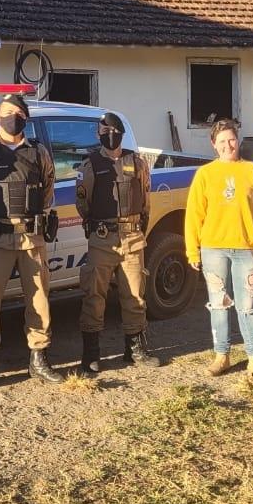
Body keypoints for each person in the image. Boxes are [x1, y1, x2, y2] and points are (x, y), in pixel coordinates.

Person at [0, 93, 63, 388]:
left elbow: (48, 187)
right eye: (6, 112)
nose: (11, 118)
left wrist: (35, 217)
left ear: (25, 118)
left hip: (31, 237)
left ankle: (39, 359)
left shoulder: (38, 152)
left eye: (17, 113)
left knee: (39, 299)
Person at [184, 118, 253, 382]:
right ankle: (221, 356)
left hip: (246, 249)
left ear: (239, 141)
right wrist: (193, 250)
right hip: (213, 250)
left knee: (248, 306)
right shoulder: (205, 175)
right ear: (214, 144)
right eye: (222, 141)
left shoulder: (252, 172)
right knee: (218, 305)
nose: (228, 145)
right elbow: (193, 216)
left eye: (231, 139)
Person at [73, 111, 162, 378]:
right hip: (102, 238)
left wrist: (138, 227)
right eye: (105, 132)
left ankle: (135, 349)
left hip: (132, 236)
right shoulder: (90, 164)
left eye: (114, 132)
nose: (110, 136)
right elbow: (82, 203)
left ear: (122, 134)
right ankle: (91, 353)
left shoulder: (137, 162)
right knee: (94, 296)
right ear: (99, 135)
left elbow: (145, 198)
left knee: (135, 294)